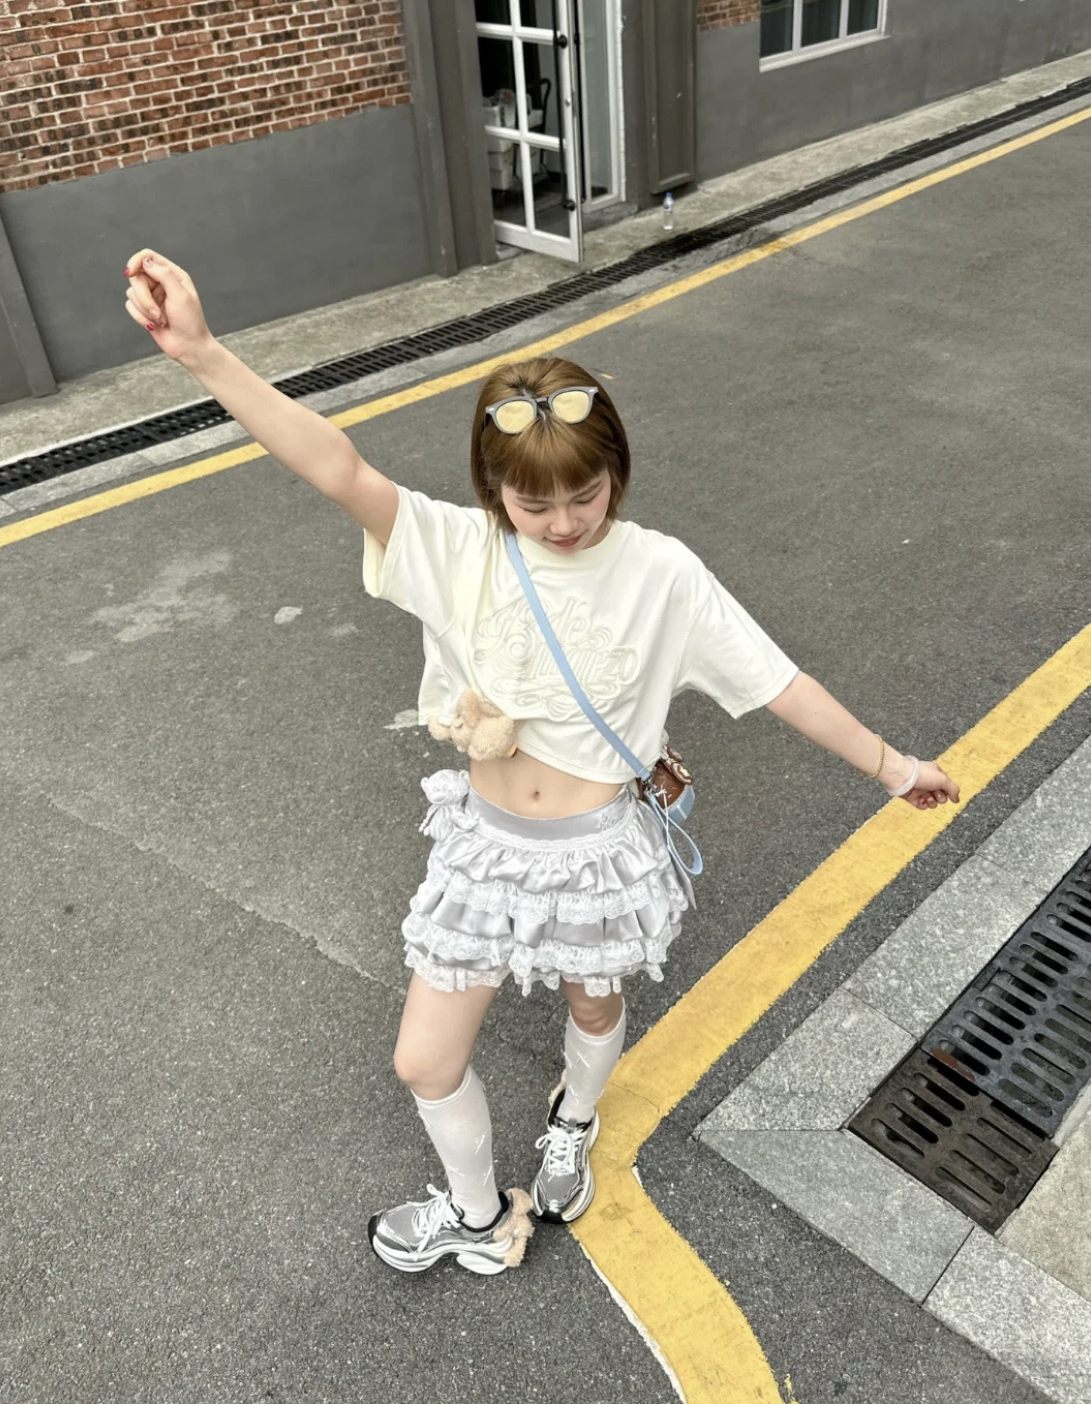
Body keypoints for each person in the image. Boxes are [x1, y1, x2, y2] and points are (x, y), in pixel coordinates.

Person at [123, 249, 960, 1278]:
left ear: (616, 474)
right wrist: (204, 354)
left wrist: (891, 765)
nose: (563, 523)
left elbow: (775, 680)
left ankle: (573, 1117)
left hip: (596, 849)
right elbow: (335, 464)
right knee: (422, 1057)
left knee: (593, 1004)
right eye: (533, 504)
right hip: (482, 848)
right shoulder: (459, 547)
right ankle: (479, 1215)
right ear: (494, 490)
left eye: (585, 496)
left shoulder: (661, 571)